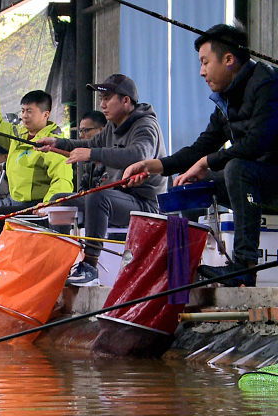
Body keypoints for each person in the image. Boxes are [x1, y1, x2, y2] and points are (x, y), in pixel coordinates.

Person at [124, 24, 278, 287]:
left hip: (270, 176)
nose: (201, 71)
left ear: (228, 59)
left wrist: (207, 162)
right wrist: (151, 166)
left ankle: (244, 267)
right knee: (190, 184)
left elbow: (257, 143)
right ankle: (184, 270)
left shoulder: (268, 83)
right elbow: (200, 147)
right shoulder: (226, 100)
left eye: (205, 62)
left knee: (236, 169)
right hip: (258, 181)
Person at [38, 74, 168, 286]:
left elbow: (138, 156)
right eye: (101, 99)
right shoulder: (112, 127)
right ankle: (61, 262)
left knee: (98, 197)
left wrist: (91, 155)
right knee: (61, 199)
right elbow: (86, 145)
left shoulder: (146, 125)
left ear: (126, 101)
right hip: (119, 198)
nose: (102, 104)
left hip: (145, 205)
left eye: (107, 98)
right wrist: (55, 142)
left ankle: (89, 266)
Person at [0, 76, 74, 212]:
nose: (24, 116)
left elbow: (62, 179)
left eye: (30, 111)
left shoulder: (52, 143)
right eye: (23, 110)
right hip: (14, 201)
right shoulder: (16, 134)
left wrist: (47, 206)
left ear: (46, 114)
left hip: (36, 205)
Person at [77, 110, 108, 192]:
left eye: (86, 130)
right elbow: (83, 188)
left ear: (101, 130)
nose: (81, 136)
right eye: (80, 131)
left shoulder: (110, 155)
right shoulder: (89, 157)